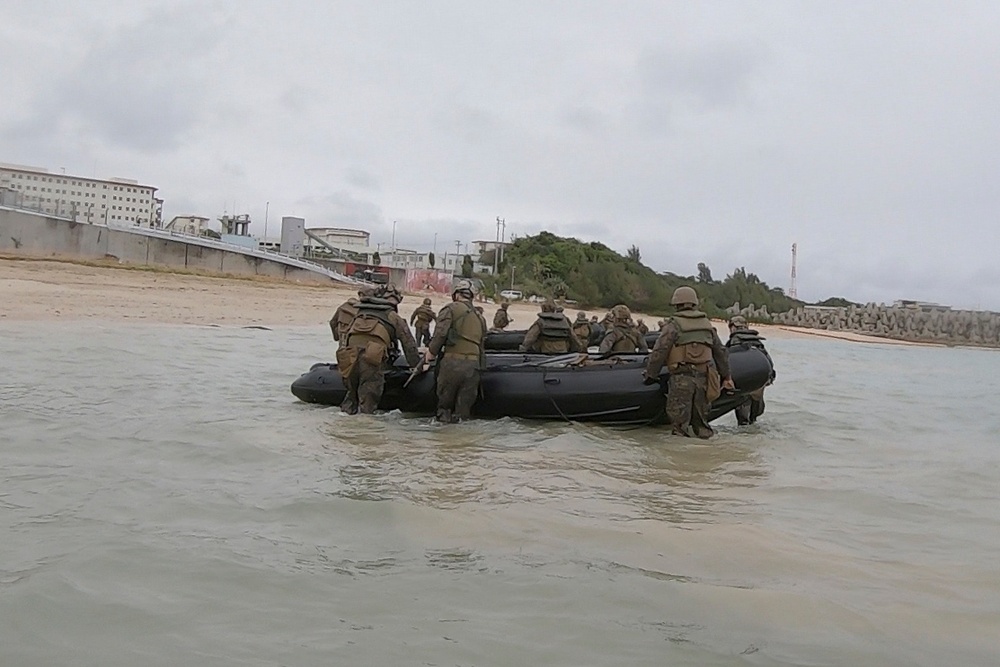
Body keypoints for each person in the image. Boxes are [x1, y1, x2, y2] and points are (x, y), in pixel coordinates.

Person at [644, 286, 734, 438]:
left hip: (681, 378)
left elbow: (659, 352)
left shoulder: (673, 326)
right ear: (694, 303)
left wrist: (651, 374)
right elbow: (721, 352)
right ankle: (705, 455)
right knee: (702, 424)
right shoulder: (707, 326)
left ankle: (682, 458)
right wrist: (727, 377)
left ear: (677, 304)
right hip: (704, 378)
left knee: (679, 426)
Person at [338, 284, 419, 414]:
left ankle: (345, 423)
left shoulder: (359, 312)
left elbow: (344, 336)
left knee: (351, 396)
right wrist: (416, 366)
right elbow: (408, 343)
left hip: (348, 357)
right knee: (368, 401)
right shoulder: (393, 316)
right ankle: (365, 431)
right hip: (371, 359)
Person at [424, 279, 488, 423]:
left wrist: (430, 355)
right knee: (463, 413)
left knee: (444, 408)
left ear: (456, 294)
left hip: (452, 364)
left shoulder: (450, 309)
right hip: (473, 367)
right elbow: (482, 344)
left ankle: (443, 441)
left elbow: (440, 334)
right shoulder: (480, 317)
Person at [726, 315, 775, 425]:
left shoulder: (733, 342)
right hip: (758, 386)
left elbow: (727, 363)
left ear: (732, 327)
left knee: (743, 424)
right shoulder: (758, 343)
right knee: (753, 421)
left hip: (743, 387)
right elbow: (769, 364)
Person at [519, 298, 585, 353]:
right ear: (554, 309)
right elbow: (573, 336)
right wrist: (580, 348)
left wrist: (523, 349)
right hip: (562, 352)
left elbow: (530, 338)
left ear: (543, 308)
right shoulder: (564, 320)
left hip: (545, 352)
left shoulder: (540, 321)